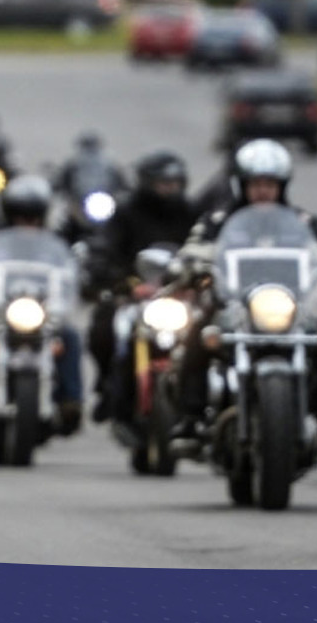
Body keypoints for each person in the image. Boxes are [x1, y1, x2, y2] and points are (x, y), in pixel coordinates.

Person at [174, 139, 317, 458]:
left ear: (282, 186)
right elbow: (192, 251)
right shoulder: (217, 223)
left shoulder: (305, 222)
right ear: (241, 185)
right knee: (200, 334)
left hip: (292, 309)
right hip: (236, 308)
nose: (263, 191)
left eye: (270, 184)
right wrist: (190, 267)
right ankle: (190, 419)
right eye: (256, 184)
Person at [0, 175, 84, 436]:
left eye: (33, 217)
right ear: (9, 215)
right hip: (1, 311)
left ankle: (71, 401)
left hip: (39, 311)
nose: (27, 223)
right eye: (21, 217)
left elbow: (68, 270)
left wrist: (78, 275)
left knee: (70, 336)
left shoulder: (54, 245)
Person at [86, 150, 196, 424]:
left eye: (175, 183)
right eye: (163, 183)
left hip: (181, 294)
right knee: (104, 326)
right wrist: (118, 280)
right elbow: (105, 249)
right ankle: (107, 386)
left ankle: (203, 400)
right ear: (147, 183)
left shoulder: (190, 213)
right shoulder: (126, 212)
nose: (170, 189)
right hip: (135, 293)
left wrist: (199, 280)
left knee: (209, 337)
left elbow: (205, 249)